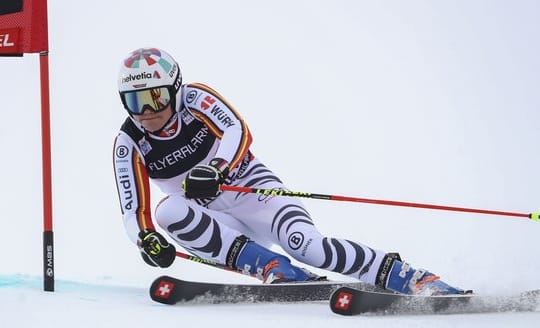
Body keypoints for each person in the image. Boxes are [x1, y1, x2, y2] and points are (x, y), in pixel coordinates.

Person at [113, 47, 467, 295]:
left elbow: (238, 130)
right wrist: (146, 240)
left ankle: (412, 279)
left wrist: (219, 169)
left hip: (251, 191)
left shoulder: (195, 99)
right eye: (134, 101)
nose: (146, 111)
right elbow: (133, 211)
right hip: (213, 220)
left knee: (308, 247)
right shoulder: (128, 143)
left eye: (155, 97)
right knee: (167, 212)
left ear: (174, 90)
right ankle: (274, 268)